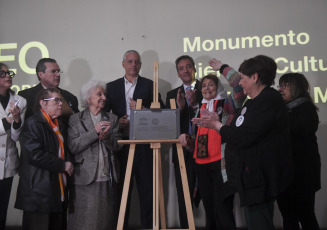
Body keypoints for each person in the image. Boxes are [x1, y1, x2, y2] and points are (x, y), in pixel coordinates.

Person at [192, 55, 293, 230]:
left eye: (244, 78)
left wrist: (217, 125)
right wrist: (220, 121)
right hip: (250, 178)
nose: (241, 83)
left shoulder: (268, 99)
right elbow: (239, 129)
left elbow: (244, 136)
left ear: (254, 77)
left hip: (260, 178)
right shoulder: (252, 103)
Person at [179, 58, 246, 230]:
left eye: (211, 84)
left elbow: (238, 85)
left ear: (218, 87)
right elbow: (200, 141)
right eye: (204, 85)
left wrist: (223, 68)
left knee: (222, 210)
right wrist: (189, 143)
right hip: (201, 166)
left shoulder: (227, 105)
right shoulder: (199, 109)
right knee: (210, 211)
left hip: (220, 166)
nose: (207, 88)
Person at [104, 50, 164, 229]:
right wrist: (116, 122)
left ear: (140, 65)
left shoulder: (150, 85)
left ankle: (149, 227)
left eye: (137, 62)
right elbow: (104, 115)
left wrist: (143, 109)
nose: (133, 64)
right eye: (130, 61)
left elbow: (161, 114)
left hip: (145, 146)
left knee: (148, 190)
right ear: (123, 64)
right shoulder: (111, 87)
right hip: (120, 146)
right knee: (121, 190)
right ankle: (120, 226)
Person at [18, 58, 79, 230]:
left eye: (59, 71)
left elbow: (66, 141)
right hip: (38, 181)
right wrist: (62, 164)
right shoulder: (29, 110)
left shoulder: (66, 104)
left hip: (58, 180)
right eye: (53, 71)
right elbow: (33, 152)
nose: (58, 74)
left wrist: (67, 163)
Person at [67, 80, 122, 230]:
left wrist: (107, 139)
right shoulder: (75, 119)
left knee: (105, 220)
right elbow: (72, 146)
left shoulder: (112, 118)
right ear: (88, 98)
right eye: (99, 94)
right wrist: (94, 133)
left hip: (107, 177)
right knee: (82, 220)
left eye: (104, 94)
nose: (104, 97)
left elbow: (118, 145)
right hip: (84, 178)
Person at [277, 73, 321, 230]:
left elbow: (298, 130)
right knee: (288, 217)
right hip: (284, 174)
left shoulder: (306, 108)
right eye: (280, 85)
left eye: (284, 86)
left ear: (295, 87)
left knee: (306, 215)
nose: (280, 89)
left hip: (303, 174)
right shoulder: (282, 109)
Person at [165, 55, 202, 228]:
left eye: (188, 67)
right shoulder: (172, 95)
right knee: (183, 195)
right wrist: (179, 110)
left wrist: (195, 104)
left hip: (205, 149)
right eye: (181, 68)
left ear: (194, 69)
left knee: (210, 193)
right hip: (181, 151)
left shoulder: (208, 87)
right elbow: (168, 127)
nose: (185, 70)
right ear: (178, 74)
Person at [0, 63, 26, 230]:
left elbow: (16, 136)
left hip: (8, 164)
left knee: (2, 212)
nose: (8, 76)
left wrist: (16, 121)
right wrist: (8, 122)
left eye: (9, 73)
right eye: (2, 74)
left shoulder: (20, 101)